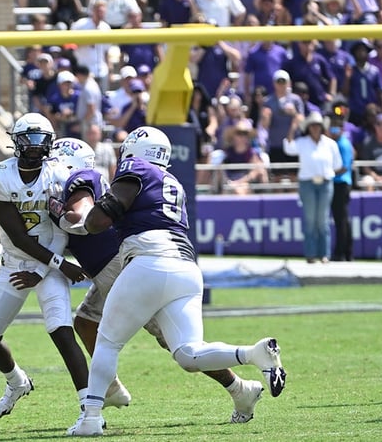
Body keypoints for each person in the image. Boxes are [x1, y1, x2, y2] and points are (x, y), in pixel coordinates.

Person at [67, 126, 287, 436]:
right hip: (186, 267)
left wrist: (88, 215)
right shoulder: (171, 181)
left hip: (149, 260)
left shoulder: (135, 168)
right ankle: (252, 354)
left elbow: (98, 221)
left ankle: (90, 418)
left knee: (107, 340)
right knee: (188, 354)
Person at [0, 112, 91, 421]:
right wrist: (59, 266)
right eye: (31, 139)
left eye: (43, 140)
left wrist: (46, 270)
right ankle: (17, 382)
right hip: (16, 262)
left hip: (49, 265)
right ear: (17, 141)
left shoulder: (59, 173)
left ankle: (89, 409)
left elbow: (57, 232)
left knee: (61, 331)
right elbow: (16, 234)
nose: (37, 146)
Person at [283, 112, 344, 263]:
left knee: (322, 219)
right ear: (309, 128)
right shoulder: (302, 142)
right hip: (307, 183)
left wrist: (326, 173)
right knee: (310, 219)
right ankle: (310, 254)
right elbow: (288, 148)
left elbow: (338, 165)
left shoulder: (330, 144)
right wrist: (293, 127)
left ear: (322, 127)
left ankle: (324, 254)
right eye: (312, 126)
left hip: (325, 183)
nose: (315, 128)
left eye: (318, 126)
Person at [326, 111, 354, 261]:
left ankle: (340, 253)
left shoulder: (343, 144)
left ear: (342, 130)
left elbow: (344, 167)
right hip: (338, 183)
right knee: (342, 219)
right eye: (332, 128)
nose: (333, 131)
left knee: (340, 220)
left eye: (336, 129)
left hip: (341, 184)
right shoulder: (334, 143)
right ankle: (347, 252)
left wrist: (327, 172)